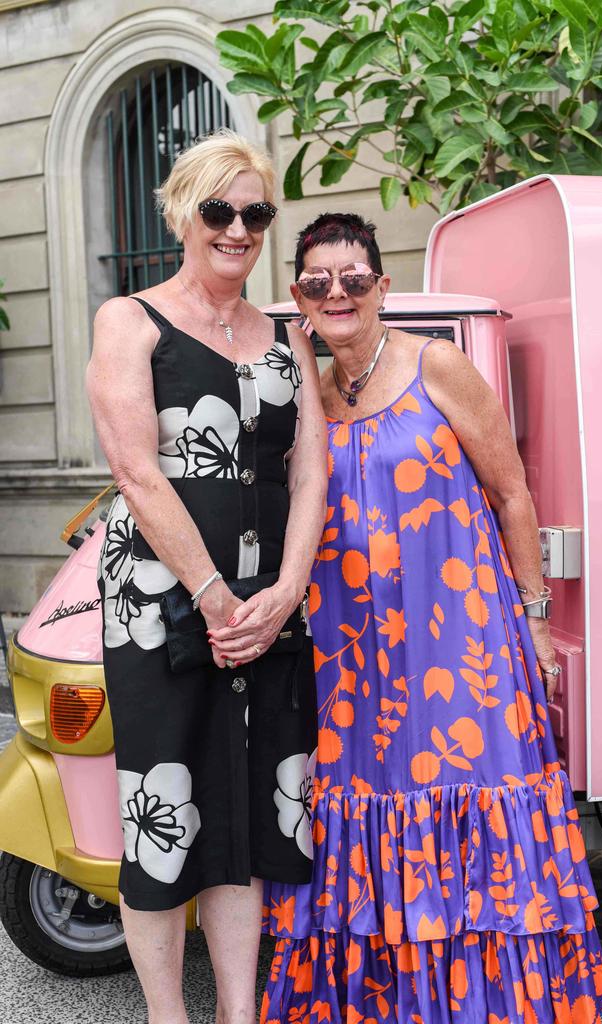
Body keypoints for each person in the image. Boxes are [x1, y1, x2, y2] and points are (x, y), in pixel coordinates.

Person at [258, 213, 602, 1023]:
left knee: (469, 801)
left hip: (462, 645)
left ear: (383, 286)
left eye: (354, 278)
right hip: (352, 658)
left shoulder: (437, 364)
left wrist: (533, 626)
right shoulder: (305, 396)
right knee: (364, 805)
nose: (337, 293)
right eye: (319, 281)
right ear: (298, 296)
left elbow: (512, 494)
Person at [86, 129, 327, 1024]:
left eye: (256, 212)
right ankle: (166, 1015)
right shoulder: (129, 320)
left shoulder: (285, 336)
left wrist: (288, 587)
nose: (238, 229)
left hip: (268, 608)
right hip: (162, 605)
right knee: (166, 804)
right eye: (219, 210)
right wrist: (214, 594)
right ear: (184, 212)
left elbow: (308, 472)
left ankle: (237, 1014)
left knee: (246, 810)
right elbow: (137, 469)